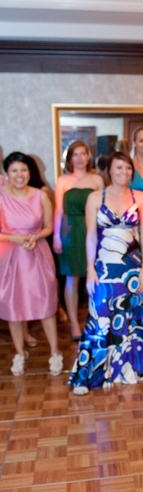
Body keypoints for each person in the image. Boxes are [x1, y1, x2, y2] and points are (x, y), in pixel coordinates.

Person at [69, 152, 143, 394]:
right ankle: (88, 375)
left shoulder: (142, 197)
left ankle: (126, 369)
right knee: (100, 317)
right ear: (109, 170)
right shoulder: (95, 198)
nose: (124, 172)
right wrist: (90, 268)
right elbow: (91, 235)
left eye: (128, 168)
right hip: (104, 268)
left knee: (129, 319)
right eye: (119, 168)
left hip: (131, 269)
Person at [0, 152, 62, 377]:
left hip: (37, 254)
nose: (19, 175)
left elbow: (48, 227)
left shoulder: (40, 195)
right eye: (14, 170)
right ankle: (18, 352)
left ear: (30, 172)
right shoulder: (0, 196)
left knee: (45, 304)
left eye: (24, 170)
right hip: (9, 256)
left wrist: (36, 237)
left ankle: (55, 352)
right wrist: (16, 239)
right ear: (7, 174)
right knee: (13, 306)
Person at [53, 140, 104, 340]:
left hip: (94, 230)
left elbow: (103, 208)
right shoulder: (63, 180)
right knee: (72, 279)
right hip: (70, 231)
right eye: (76, 154)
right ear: (70, 157)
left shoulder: (97, 179)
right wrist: (56, 236)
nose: (80, 158)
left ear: (89, 156)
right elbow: (59, 209)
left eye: (84, 153)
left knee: (96, 278)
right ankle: (74, 324)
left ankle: (97, 319)